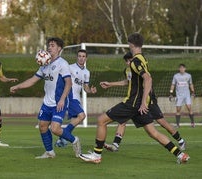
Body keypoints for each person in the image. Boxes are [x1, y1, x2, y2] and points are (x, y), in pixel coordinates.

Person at [79, 33, 190, 164]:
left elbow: (148, 79)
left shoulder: (134, 61)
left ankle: (97, 154)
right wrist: (111, 84)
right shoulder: (142, 58)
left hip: (132, 103)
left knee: (101, 120)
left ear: (131, 44)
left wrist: (143, 102)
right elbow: (134, 81)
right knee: (152, 132)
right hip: (138, 104)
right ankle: (180, 154)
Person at [10, 37, 81, 159]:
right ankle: (50, 152)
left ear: (59, 48)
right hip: (47, 103)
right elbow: (33, 80)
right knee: (42, 126)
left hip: (59, 102)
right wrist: (18, 86)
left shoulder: (62, 64)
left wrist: (63, 99)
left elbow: (68, 83)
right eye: (49, 45)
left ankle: (74, 140)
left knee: (55, 129)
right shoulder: (44, 65)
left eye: (52, 45)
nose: (49, 47)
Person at [103, 52, 186, 152]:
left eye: (130, 60)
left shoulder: (140, 68)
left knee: (161, 122)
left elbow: (148, 82)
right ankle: (115, 145)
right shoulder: (127, 71)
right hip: (136, 102)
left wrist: (146, 101)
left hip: (148, 102)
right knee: (123, 120)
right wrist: (110, 84)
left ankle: (180, 140)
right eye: (127, 61)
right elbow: (127, 82)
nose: (129, 62)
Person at [55, 49, 97, 147]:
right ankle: (64, 137)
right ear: (77, 57)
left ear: (86, 58)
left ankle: (62, 137)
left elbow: (85, 87)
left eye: (83, 56)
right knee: (82, 116)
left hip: (77, 98)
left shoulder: (87, 72)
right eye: (79, 56)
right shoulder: (70, 68)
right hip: (70, 96)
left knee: (77, 118)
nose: (81, 58)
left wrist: (91, 90)